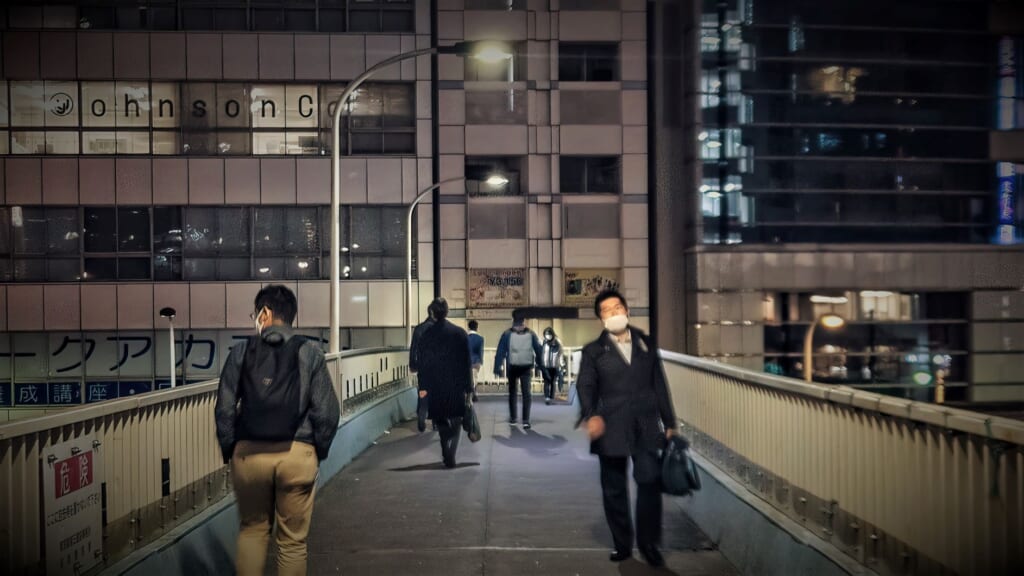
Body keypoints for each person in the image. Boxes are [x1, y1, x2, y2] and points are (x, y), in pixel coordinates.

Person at [215, 285, 340, 576]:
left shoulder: (240, 352)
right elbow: (327, 412)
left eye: (255, 313)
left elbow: (224, 410)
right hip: (297, 456)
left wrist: (231, 451)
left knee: (252, 531)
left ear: (266, 313)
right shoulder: (309, 352)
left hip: (249, 458)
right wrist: (314, 450)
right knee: (292, 543)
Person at [576, 289, 677, 568]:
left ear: (627, 311)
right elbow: (585, 385)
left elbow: (659, 384)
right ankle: (622, 544)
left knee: (649, 482)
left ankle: (649, 544)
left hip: (646, 425)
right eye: (607, 310)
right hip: (610, 425)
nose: (614, 313)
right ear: (601, 319)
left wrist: (670, 423)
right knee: (614, 488)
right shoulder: (593, 351)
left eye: (617, 307)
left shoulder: (646, 343)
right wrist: (591, 415)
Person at [416, 298, 474, 468]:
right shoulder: (459, 333)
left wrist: (423, 387)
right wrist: (469, 387)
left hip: (435, 385)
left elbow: (423, 364)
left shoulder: (426, 335)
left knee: (440, 420)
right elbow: (466, 363)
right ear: (447, 311)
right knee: (456, 420)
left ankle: (445, 451)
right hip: (456, 384)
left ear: (432, 313)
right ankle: (451, 454)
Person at [493, 310, 543, 429]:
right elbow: (539, 350)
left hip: (512, 367)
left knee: (512, 392)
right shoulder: (531, 334)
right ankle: (525, 421)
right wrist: (541, 366)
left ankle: (513, 418)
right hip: (526, 367)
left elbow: (500, 352)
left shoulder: (507, 334)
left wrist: (497, 368)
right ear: (524, 320)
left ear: (513, 319)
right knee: (526, 394)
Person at [409, 310, 436, 433]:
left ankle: (421, 416)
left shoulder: (419, 329)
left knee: (423, 392)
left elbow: (413, 348)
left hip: (423, 368)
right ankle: (436, 422)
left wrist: (413, 364)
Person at [540, 326, 564, 405]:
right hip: (546, 365)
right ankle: (547, 397)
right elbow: (542, 353)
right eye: (546, 334)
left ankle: (551, 397)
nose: (548, 336)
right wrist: (541, 364)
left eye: (549, 334)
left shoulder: (557, 342)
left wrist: (561, 364)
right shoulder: (544, 342)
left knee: (553, 382)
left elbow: (560, 353)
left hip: (555, 365)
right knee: (546, 381)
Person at [467, 319, 485, 400]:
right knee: (475, 378)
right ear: (477, 327)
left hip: (465, 361)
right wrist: (481, 361)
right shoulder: (480, 338)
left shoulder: (464, 337)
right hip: (475, 361)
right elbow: (480, 351)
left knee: (467, 378)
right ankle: (474, 393)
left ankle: (469, 395)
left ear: (469, 327)